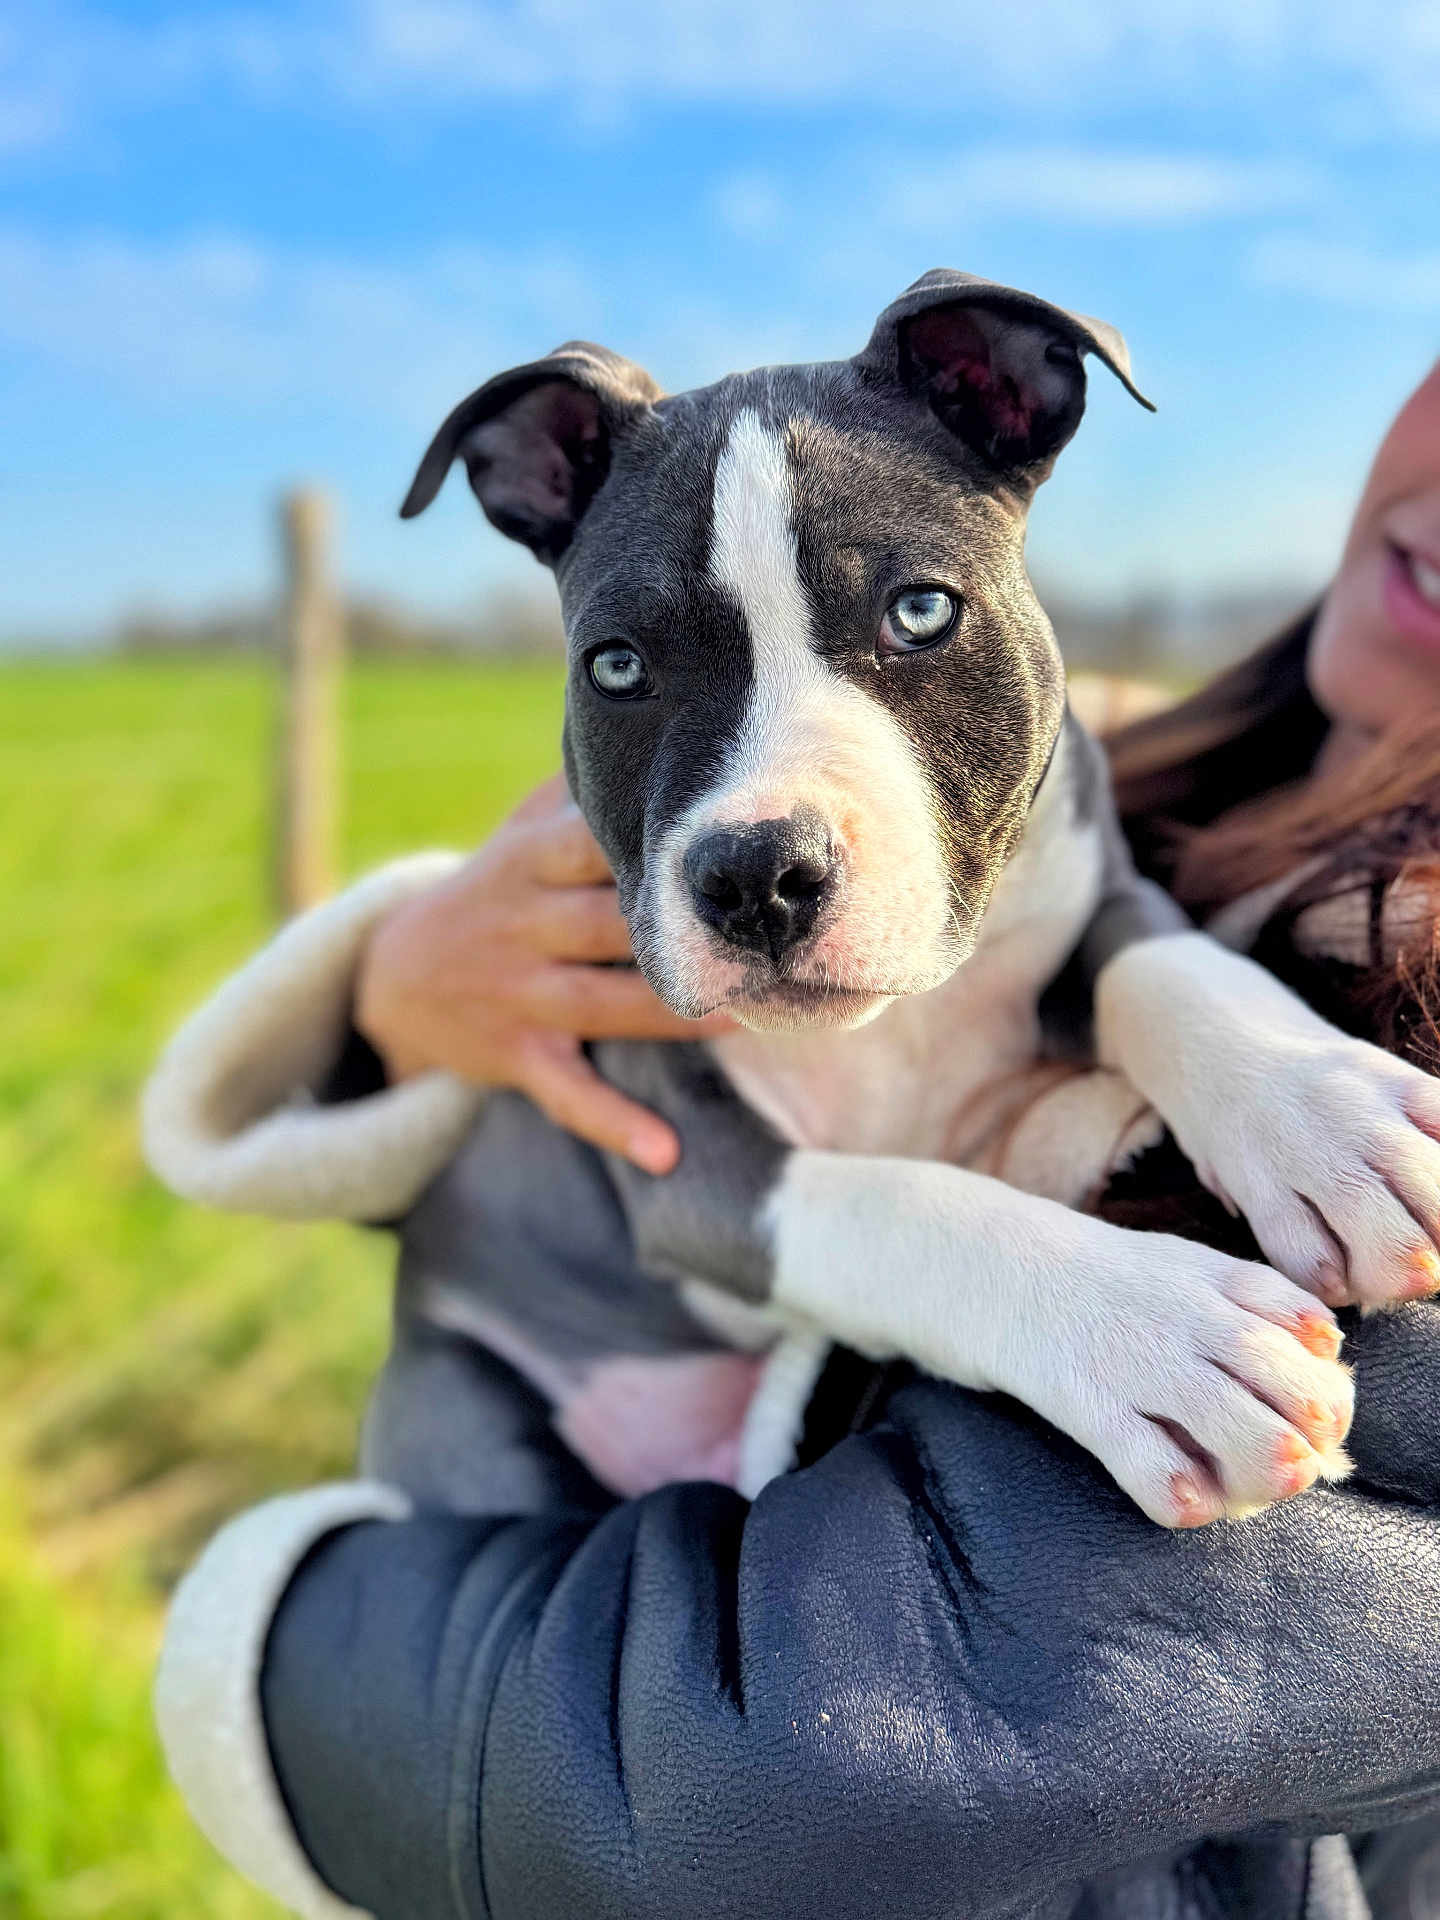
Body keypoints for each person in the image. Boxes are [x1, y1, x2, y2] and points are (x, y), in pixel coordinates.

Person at [148, 361, 1440, 1920]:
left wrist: (1239, 1059)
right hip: (536, 1415)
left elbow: (1104, 935)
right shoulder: (1134, 739)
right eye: (628, 663)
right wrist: (401, 981)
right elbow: (697, 1185)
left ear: (1017, 405)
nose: (759, 808)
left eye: (911, 617)